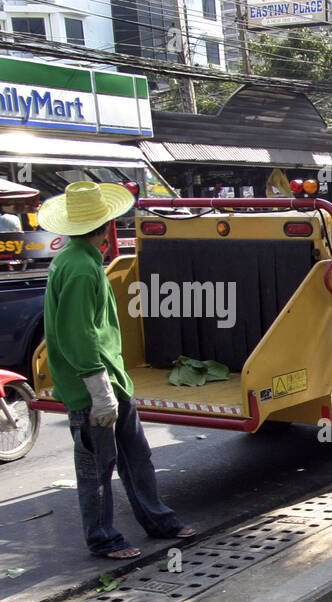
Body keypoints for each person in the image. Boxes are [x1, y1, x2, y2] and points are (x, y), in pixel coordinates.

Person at [40, 181, 194, 559]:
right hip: (92, 386)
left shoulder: (80, 259)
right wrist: (98, 389)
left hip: (111, 380)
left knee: (136, 457)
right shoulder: (79, 268)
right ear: (106, 225)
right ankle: (103, 538)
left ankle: (159, 520)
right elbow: (78, 334)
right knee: (97, 468)